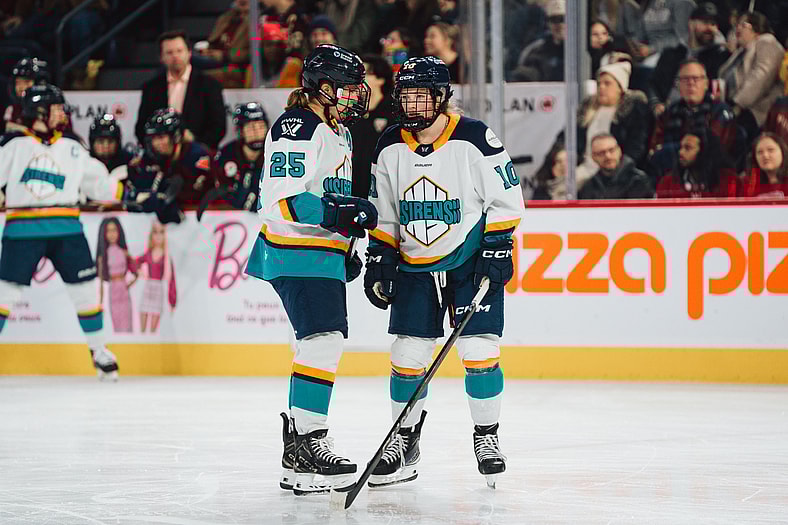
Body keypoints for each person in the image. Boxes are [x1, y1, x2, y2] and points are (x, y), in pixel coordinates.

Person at [364, 56, 524, 489]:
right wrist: (380, 254)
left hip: (468, 261)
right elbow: (385, 211)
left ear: (440, 96)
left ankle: (486, 437)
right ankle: (404, 439)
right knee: (406, 356)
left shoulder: (475, 138)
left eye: (419, 95)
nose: (410, 104)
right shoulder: (389, 145)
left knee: (479, 350)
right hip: (415, 265)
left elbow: (507, 198)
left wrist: (497, 245)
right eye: (405, 95)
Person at [244, 44, 376, 495]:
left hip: (319, 254)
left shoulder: (338, 131)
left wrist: (343, 242)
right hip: (293, 250)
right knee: (322, 341)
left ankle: (299, 458)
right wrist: (339, 218)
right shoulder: (298, 125)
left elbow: (325, 196)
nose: (357, 95)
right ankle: (306, 443)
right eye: (348, 87)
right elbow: (281, 198)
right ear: (323, 87)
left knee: (323, 342)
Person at [0, 84, 123, 380]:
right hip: (22, 230)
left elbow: (101, 185)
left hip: (67, 228)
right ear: (39, 111)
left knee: (85, 292)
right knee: (4, 294)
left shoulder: (72, 147)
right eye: (56, 108)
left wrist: (127, 188)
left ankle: (99, 351)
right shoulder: (14, 145)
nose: (62, 114)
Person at [135, 30, 226, 150]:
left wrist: (195, 143)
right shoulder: (151, 88)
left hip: (199, 155)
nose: (175, 56)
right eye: (169, 52)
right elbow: (141, 127)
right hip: (161, 156)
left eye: (179, 51)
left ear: (189, 53)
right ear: (161, 57)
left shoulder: (210, 85)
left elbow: (218, 127)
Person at [127, 108, 216, 225]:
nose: (157, 143)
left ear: (176, 136)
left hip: (204, 225)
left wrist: (165, 199)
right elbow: (137, 192)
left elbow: (196, 194)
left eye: (161, 137)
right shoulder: (151, 157)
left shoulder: (197, 155)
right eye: (153, 138)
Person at [350, 54, 395, 200]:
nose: (359, 79)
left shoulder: (395, 112)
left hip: (384, 193)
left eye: (366, 73)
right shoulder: (348, 113)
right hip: (352, 191)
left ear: (380, 79)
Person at [212, 102, 269, 212]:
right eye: (251, 127)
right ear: (240, 131)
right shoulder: (226, 154)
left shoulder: (275, 153)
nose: (257, 132)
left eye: (261, 127)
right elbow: (221, 193)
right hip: (233, 219)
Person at [655, 128, 739, 198]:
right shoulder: (667, 183)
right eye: (681, 147)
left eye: (687, 148)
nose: (680, 152)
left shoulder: (730, 181)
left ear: (704, 151)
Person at [578, 133, 654, 199]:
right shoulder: (589, 187)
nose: (608, 156)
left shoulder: (638, 181)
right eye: (601, 153)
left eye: (611, 150)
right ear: (593, 157)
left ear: (619, 151)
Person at [96, 217, 137, 333]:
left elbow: (136, 271)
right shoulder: (103, 256)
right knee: (117, 325)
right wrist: (100, 303)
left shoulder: (124, 252)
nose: (112, 234)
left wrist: (129, 284)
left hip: (124, 291)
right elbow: (100, 284)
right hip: (113, 291)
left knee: (127, 324)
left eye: (114, 230)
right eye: (108, 231)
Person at [135, 219, 177, 334]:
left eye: (161, 232)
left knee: (153, 328)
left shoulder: (166, 257)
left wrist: (172, 301)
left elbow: (172, 280)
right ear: (151, 234)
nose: (158, 236)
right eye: (155, 232)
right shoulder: (148, 253)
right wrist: (139, 272)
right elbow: (135, 262)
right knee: (142, 324)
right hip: (148, 288)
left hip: (158, 289)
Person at [2, 57, 49, 134]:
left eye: (26, 82)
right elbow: (7, 129)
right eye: (18, 82)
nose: (21, 87)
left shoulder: (50, 108)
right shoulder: (12, 109)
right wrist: (27, 130)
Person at [740, 132, 788, 198]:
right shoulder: (748, 183)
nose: (765, 156)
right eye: (760, 152)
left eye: (771, 150)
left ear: (782, 152)